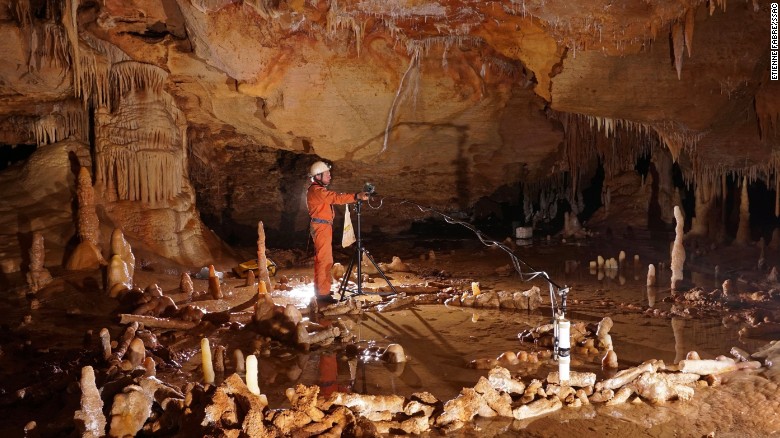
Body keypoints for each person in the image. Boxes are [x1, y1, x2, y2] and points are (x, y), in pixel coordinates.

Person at [306, 161, 369, 305]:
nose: (330, 176)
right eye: (327, 174)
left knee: (321, 260)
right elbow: (335, 198)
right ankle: (323, 294)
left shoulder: (315, 190)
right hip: (321, 227)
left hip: (322, 226)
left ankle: (321, 289)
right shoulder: (317, 191)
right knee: (325, 260)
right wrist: (356, 196)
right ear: (318, 176)